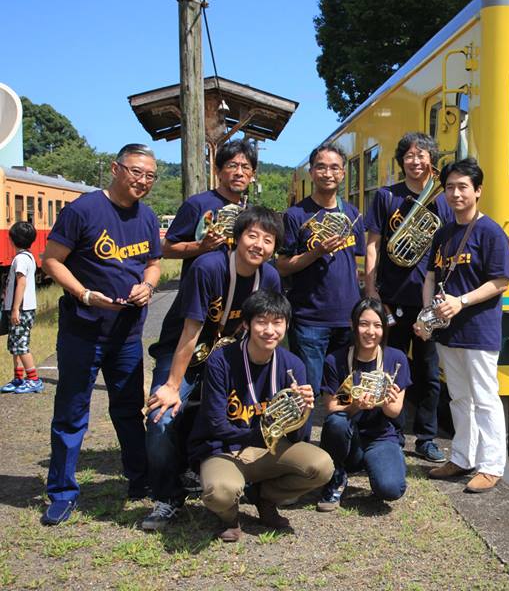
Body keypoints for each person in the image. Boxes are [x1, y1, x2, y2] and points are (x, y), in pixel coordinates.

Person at [40, 143, 162, 525]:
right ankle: (62, 492)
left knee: (129, 409)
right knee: (72, 412)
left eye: (150, 176)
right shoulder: (83, 210)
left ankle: (140, 480)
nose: (143, 181)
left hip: (127, 333)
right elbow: (51, 260)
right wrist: (85, 294)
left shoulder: (147, 216)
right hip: (84, 331)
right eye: (136, 172)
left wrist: (148, 286)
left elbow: (153, 263)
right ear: (115, 168)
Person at [141, 206, 284, 530]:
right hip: (183, 351)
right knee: (161, 417)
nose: (259, 245)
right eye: (252, 235)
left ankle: (236, 480)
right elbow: (190, 332)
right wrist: (172, 386)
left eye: (268, 239)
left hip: (228, 355)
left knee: (243, 413)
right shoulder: (208, 267)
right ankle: (167, 497)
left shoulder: (270, 277)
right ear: (237, 236)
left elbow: (267, 329)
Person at [188, 290, 334, 542]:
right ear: (246, 324)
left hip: (269, 449)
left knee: (321, 466)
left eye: (277, 322)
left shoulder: (293, 365)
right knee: (220, 492)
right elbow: (216, 425)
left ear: (286, 325)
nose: (270, 330)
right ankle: (229, 516)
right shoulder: (220, 361)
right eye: (261, 322)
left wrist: (304, 410)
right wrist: (262, 434)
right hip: (225, 448)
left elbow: (297, 436)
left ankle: (264, 498)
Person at [414, 158, 509, 494]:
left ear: (478, 191)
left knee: (484, 398)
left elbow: (500, 281)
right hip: (447, 331)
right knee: (458, 397)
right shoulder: (443, 233)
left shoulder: (491, 232)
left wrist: (461, 302)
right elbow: (431, 276)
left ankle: (491, 466)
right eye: (450, 187)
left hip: (479, 330)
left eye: (463, 187)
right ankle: (461, 457)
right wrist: (427, 314)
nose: (456, 194)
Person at [364, 132, 453, 463]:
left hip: (429, 302)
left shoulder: (443, 201)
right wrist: (371, 290)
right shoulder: (387, 196)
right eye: (409, 156)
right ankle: (393, 433)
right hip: (393, 297)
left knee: (429, 373)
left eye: (422, 155)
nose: (416, 161)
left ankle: (426, 438)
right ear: (402, 161)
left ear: (431, 160)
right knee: (392, 368)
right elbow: (373, 245)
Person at [277, 143, 364, 442]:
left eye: (335, 167)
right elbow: (282, 266)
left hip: (347, 319)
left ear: (343, 173)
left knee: (344, 392)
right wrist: (316, 252)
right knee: (307, 393)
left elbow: (354, 263)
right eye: (322, 167)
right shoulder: (295, 215)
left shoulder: (352, 213)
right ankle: (299, 452)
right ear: (312, 172)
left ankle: (338, 449)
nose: (328, 173)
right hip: (309, 320)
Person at [316, 297, 411, 511]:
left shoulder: (396, 359)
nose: (370, 331)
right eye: (364, 324)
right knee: (337, 422)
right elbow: (331, 407)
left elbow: (394, 411)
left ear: (384, 329)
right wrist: (355, 405)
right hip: (349, 437)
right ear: (353, 325)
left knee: (390, 489)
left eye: (377, 325)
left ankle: (380, 462)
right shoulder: (336, 360)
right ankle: (337, 474)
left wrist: (384, 401)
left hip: (381, 436)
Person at [161, 139, 257, 278]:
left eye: (246, 167)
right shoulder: (197, 204)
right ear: (218, 171)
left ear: (252, 175)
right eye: (232, 166)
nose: (239, 173)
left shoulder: (251, 212)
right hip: (202, 287)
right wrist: (201, 247)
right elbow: (166, 249)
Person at [0, 222, 39, 394]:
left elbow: (21, 283)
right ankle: (18, 378)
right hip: (19, 308)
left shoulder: (21, 259)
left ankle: (34, 380)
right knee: (15, 345)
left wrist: (15, 308)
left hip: (21, 309)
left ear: (12, 239)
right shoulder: (27, 257)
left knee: (21, 346)